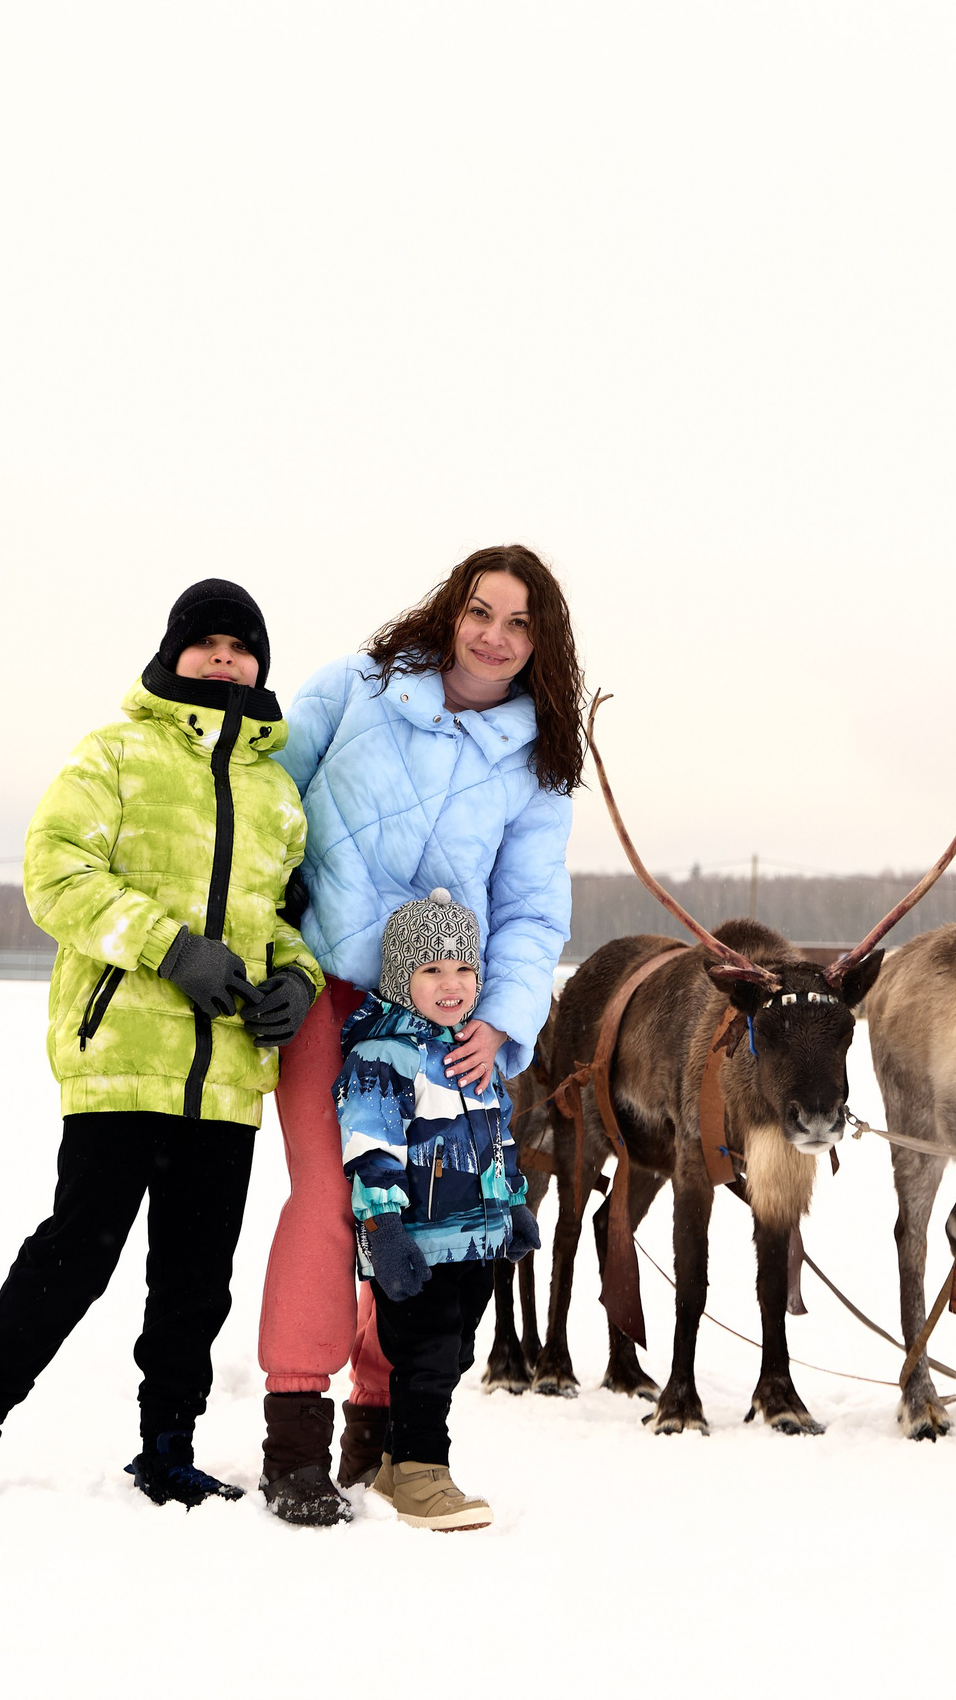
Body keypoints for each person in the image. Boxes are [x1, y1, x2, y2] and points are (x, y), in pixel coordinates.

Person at [0, 580, 323, 1506]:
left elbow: (283, 918)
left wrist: (296, 978)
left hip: (225, 1079)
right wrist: (170, 949)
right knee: (73, 1256)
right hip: (122, 1058)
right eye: (207, 642)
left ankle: (167, 1446)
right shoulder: (117, 754)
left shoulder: (276, 791)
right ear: (173, 652)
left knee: (196, 1278)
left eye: (242, 646)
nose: (226, 659)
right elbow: (54, 873)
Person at [254, 544, 580, 1527]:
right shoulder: (356, 686)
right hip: (325, 981)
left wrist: (502, 1015)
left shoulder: (538, 764)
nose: (493, 635)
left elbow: (529, 911)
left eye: (519, 623)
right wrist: (269, 927)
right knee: (332, 1196)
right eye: (482, 611)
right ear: (450, 610)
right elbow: (267, 795)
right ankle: (294, 1433)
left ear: (541, 644)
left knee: (431, 1219)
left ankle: (384, 1424)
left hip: (438, 1015)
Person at [340, 889, 539, 1530]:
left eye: (463, 969)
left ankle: (399, 1463)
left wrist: (514, 1204)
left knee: (453, 1353)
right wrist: (384, 1228)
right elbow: (369, 1149)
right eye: (431, 970)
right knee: (425, 1353)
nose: (451, 984)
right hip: (416, 1239)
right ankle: (428, 1476)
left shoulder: (472, 1051)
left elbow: (497, 1136)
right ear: (403, 976)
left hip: (476, 1240)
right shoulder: (383, 1054)